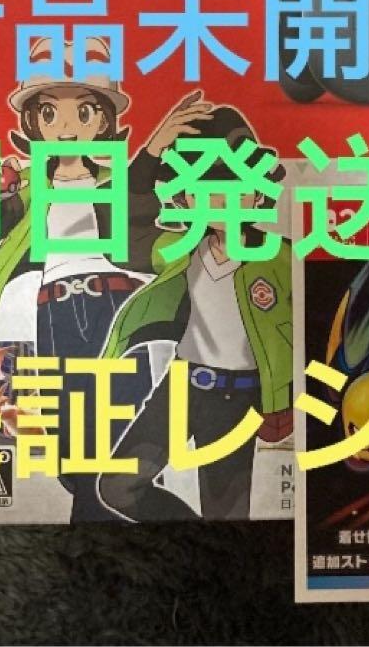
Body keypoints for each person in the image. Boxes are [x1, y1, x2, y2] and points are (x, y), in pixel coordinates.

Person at [0, 37, 213, 520]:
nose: (66, 127)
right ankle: (130, 512)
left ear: (103, 121)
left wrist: (155, 148)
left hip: (111, 308)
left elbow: (136, 207)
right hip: (53, 313)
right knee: (69, 449)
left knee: (116, 438)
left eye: (83, 112)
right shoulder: (29, 185)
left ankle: (120, 512)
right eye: (50, 113)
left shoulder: (115, 181)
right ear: (33, 122)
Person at [97, 105, 292, 521]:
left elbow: (305, 334)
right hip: (181, 388)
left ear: (258, 192)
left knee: (227, 517)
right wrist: (151, 152)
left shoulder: (282, 258)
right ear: (186, 197)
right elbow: (121, 234)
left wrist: (283, 400)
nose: (221, 201)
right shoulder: (180, 249)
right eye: (205, 189)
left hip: (240, 399)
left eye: (237, 186)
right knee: (118, 485)